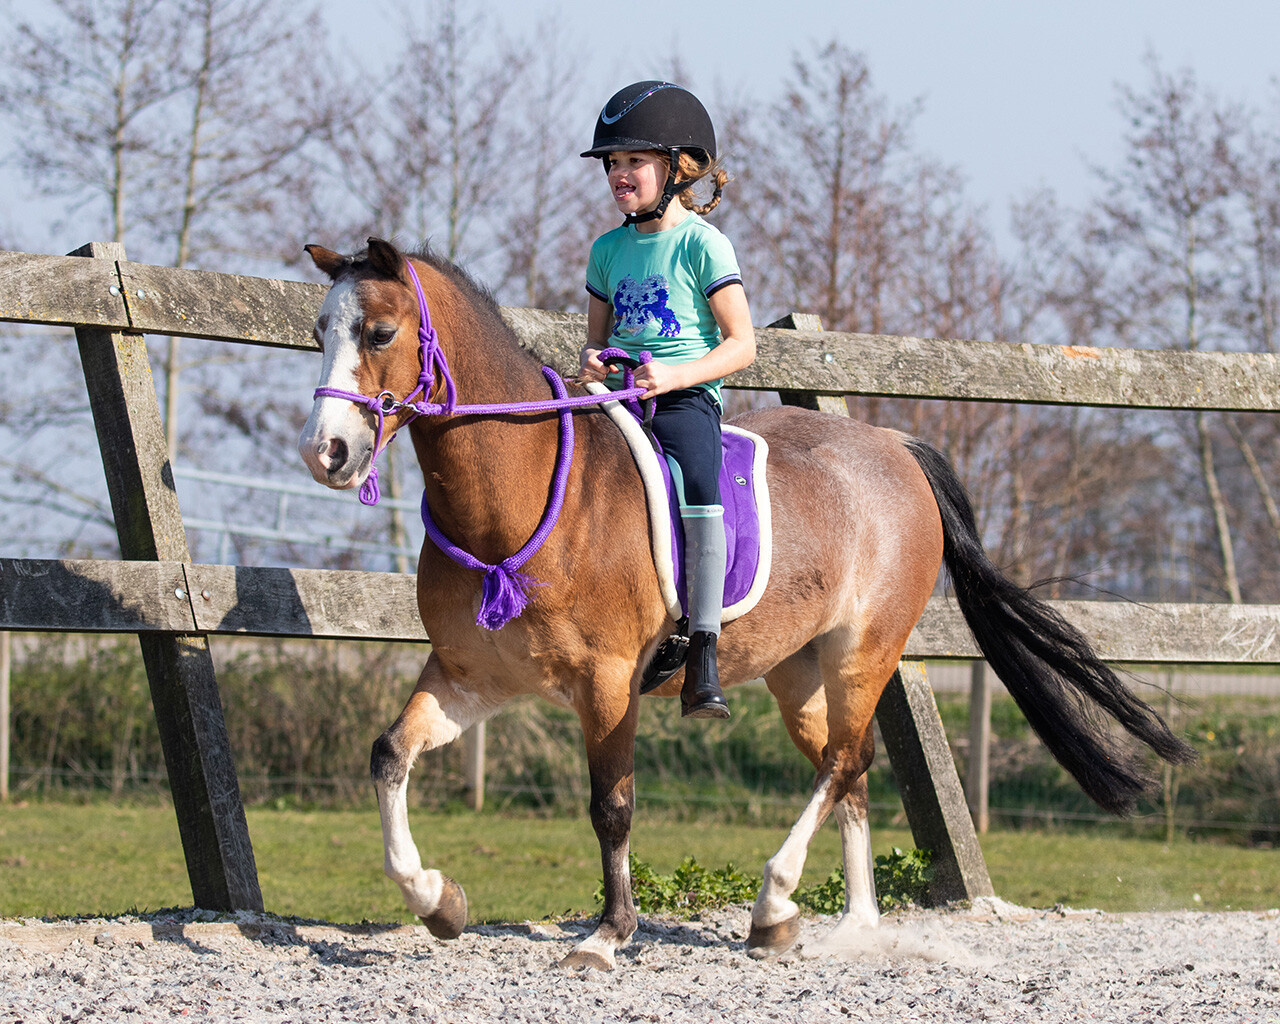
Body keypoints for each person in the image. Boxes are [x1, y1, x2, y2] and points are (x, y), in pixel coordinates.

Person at [578, 81, 756, 720]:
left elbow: (742, 346)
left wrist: (676, 378)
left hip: (683, 401)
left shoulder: (703, 245)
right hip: (616, 397)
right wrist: (592, 362)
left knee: (699, 482)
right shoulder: (606, 251)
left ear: (678, 168)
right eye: (612, 163)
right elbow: (594, 342)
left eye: (634, 161)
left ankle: (703, 649)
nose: (618, 174)